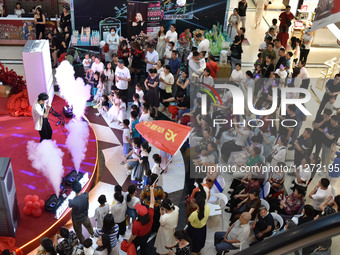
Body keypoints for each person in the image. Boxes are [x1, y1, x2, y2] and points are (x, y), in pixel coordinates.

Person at [128, 186, 155, 255]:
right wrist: (152, 191)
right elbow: (152, 203)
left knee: (134, 247)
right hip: (147, 234)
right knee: (144, 246)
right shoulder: (150, 215)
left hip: (138, 238)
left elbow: (133, 235)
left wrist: (129, 241)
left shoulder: (136, 224)